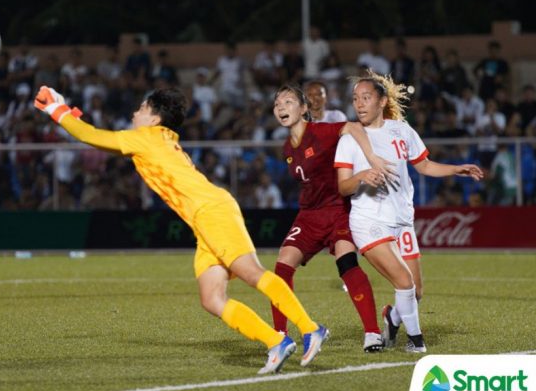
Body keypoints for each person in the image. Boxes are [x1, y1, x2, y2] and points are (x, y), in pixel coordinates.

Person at [34, 85, 329, 374]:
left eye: (140, 109)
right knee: (212, 299)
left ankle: (311, 328)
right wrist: (68, 109)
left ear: (154, 118)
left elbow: (91, 135)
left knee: (252, 273)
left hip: (212, 211)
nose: (134, 114)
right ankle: (276, 343)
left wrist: (55, 109)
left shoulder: (147, 137)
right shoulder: (160, 137)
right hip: (203, 219)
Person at [334, 71, 483, 352]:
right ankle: (416, 343)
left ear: (381, 101)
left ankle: (392, 317)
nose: (359, 104)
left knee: (416, 292)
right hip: (369, 220)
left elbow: (424, 166)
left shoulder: (401, 130)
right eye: (355, 99)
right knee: (403, 281)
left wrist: (457, 169)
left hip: (402, 221)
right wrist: (363, 176)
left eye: (366, 98)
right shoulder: (350, 138)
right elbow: (343, 187)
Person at [271, 84, 395, 352]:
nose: (281, 107)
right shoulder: (287, 148)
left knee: (347, 263)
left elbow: (353, 127)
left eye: (288, 101)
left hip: (338, 211)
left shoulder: (321, 132)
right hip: (308, 215)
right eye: (277, 104)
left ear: (304, 109)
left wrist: (372, 157)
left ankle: (372, 333)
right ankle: (279, 336)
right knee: (281, 267)